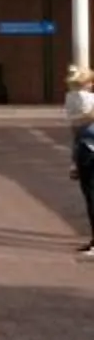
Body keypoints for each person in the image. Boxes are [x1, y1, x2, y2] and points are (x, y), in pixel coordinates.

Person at [69, 65, 94, 257]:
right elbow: (76, 130)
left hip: (87, 151)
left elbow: (76, 129)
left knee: (91, 196)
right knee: (90, 196)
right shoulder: (78, 100)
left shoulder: (77, 100)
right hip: (85, 151)